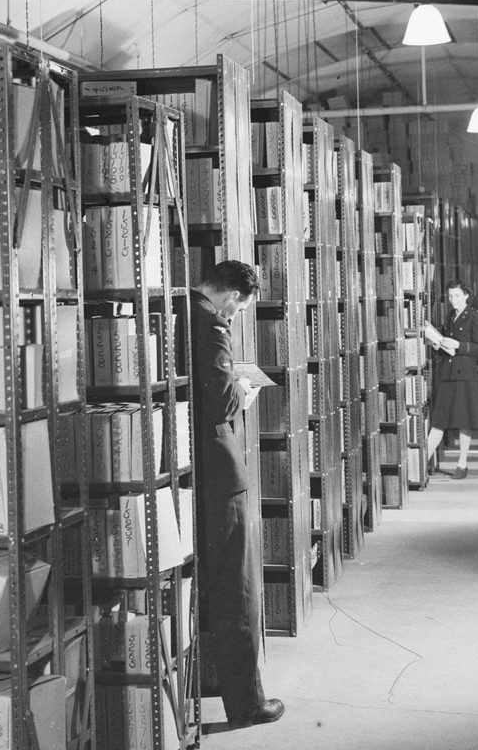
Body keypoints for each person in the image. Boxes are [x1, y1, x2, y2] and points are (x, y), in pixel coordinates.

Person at [188, 260, 284, 728]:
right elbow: (221, 403)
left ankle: (202, 683)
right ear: (231, 297)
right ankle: (247, 705)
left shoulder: (177, 310)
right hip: (219, 473)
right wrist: (244, 390)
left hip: (184, 471)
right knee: (235, 588)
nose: (236, 316)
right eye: (240, 309)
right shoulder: (211, 324)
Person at [424, 280, 478, 479]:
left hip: (465, 375)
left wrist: (459, 345)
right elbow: (447, 346)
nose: (453, 300)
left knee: (464, 420)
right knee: (439, 419)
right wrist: (438, 345)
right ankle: (421, 462)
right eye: (450, 296)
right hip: (448, 373)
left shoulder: (475, 317)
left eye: (457, 296)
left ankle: (462, 464)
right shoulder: (451, 316)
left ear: (466, 296)